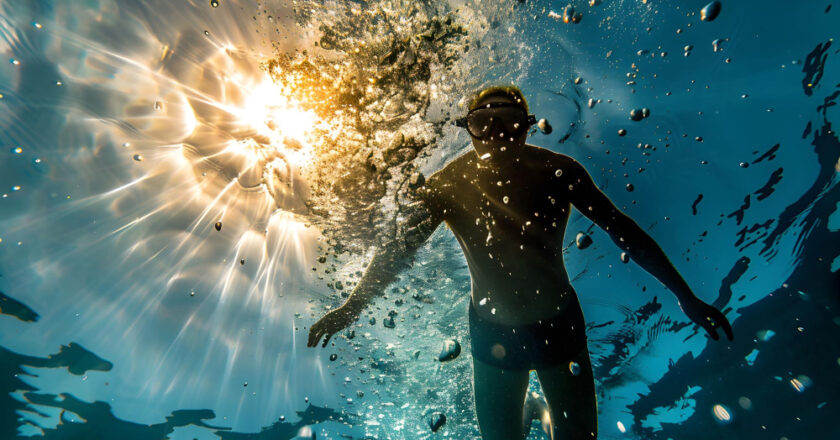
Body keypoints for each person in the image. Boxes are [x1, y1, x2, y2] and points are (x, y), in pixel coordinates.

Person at [307, 85, 733, 439]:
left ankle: (544, 413)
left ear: (528, 129)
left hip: (560, 327)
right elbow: (398, 250)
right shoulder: (447, 185)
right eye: (482, 123)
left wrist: (685, 296)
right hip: (493, 334)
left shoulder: (559, 171)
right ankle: (536, 408)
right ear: (467, 130)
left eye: (509, 122)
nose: (496, 134)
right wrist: (352, 306)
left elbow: (622, 230)